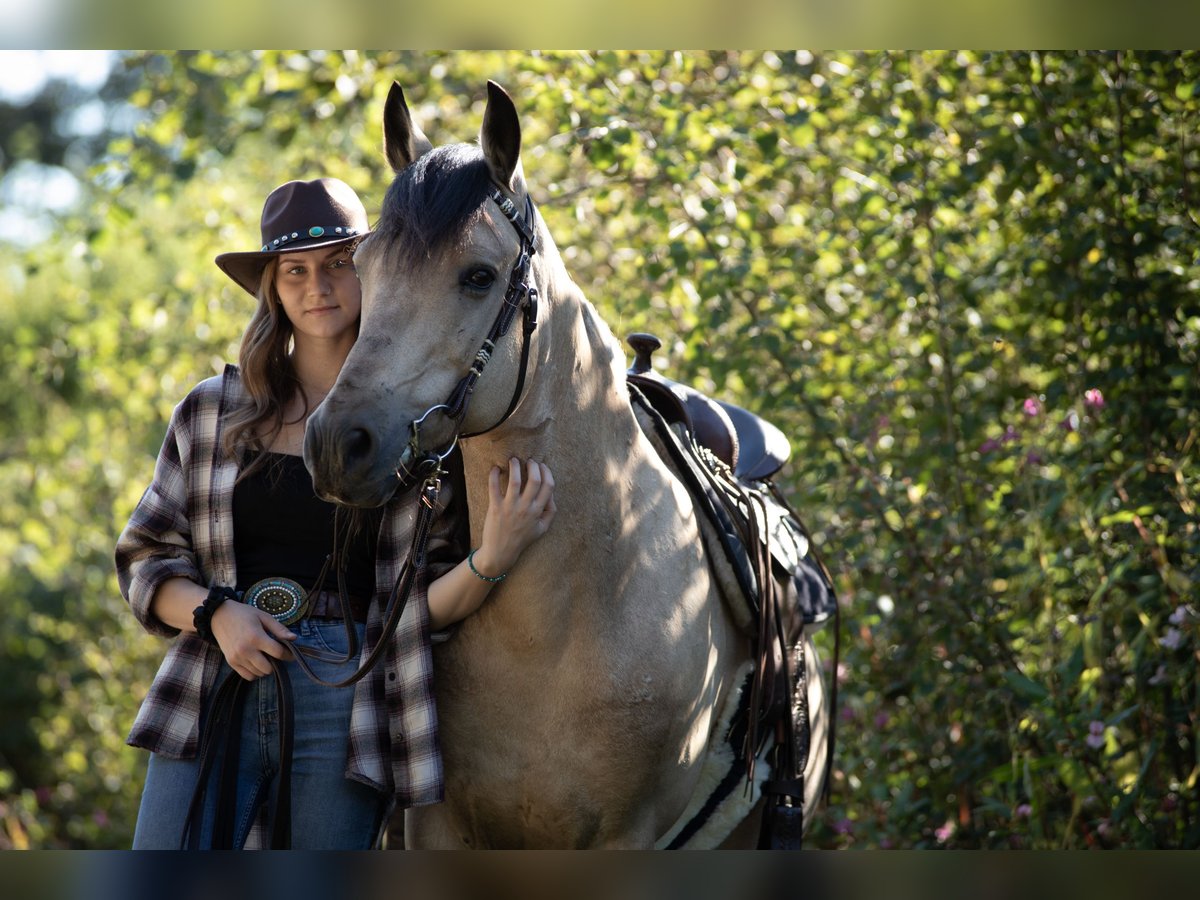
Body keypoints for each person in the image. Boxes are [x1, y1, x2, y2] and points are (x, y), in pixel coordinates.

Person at [115, 177, 556, 849]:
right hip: (213, 679)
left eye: (337, 265)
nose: (316, 286)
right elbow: (148, 560)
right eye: (295, 271)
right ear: (273, 287)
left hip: (349, 697)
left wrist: (490, 559)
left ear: (371, 272)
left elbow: (416, 611)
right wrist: (218, 615)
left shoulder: (418, 423)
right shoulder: (213, 409)